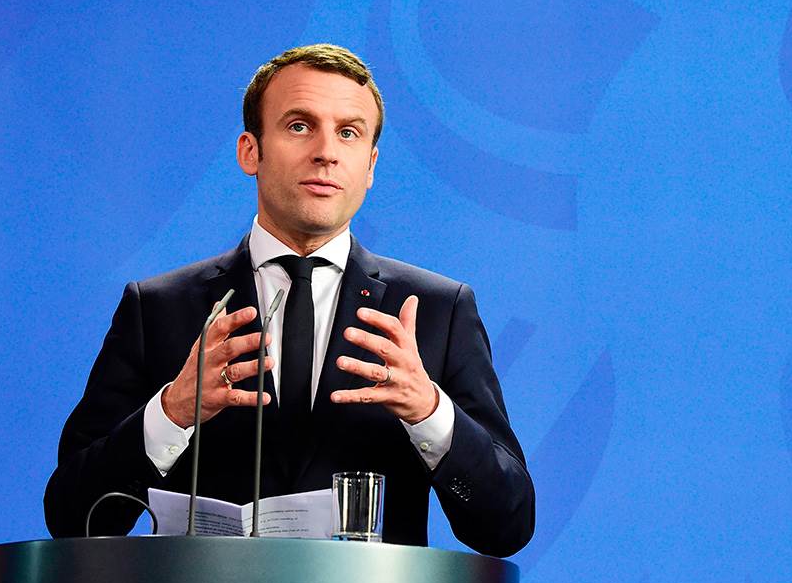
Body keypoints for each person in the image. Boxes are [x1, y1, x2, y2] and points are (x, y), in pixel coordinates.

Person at [44, 44, 533, 557]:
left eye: (349, 132)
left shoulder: (436, 310)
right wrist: (171, 412)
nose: (326, 151)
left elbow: (507, 526)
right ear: (249, 151)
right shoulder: (159, 308)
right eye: (300, 126)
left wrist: (429, 412)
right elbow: (73, 518)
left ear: (369, 166)